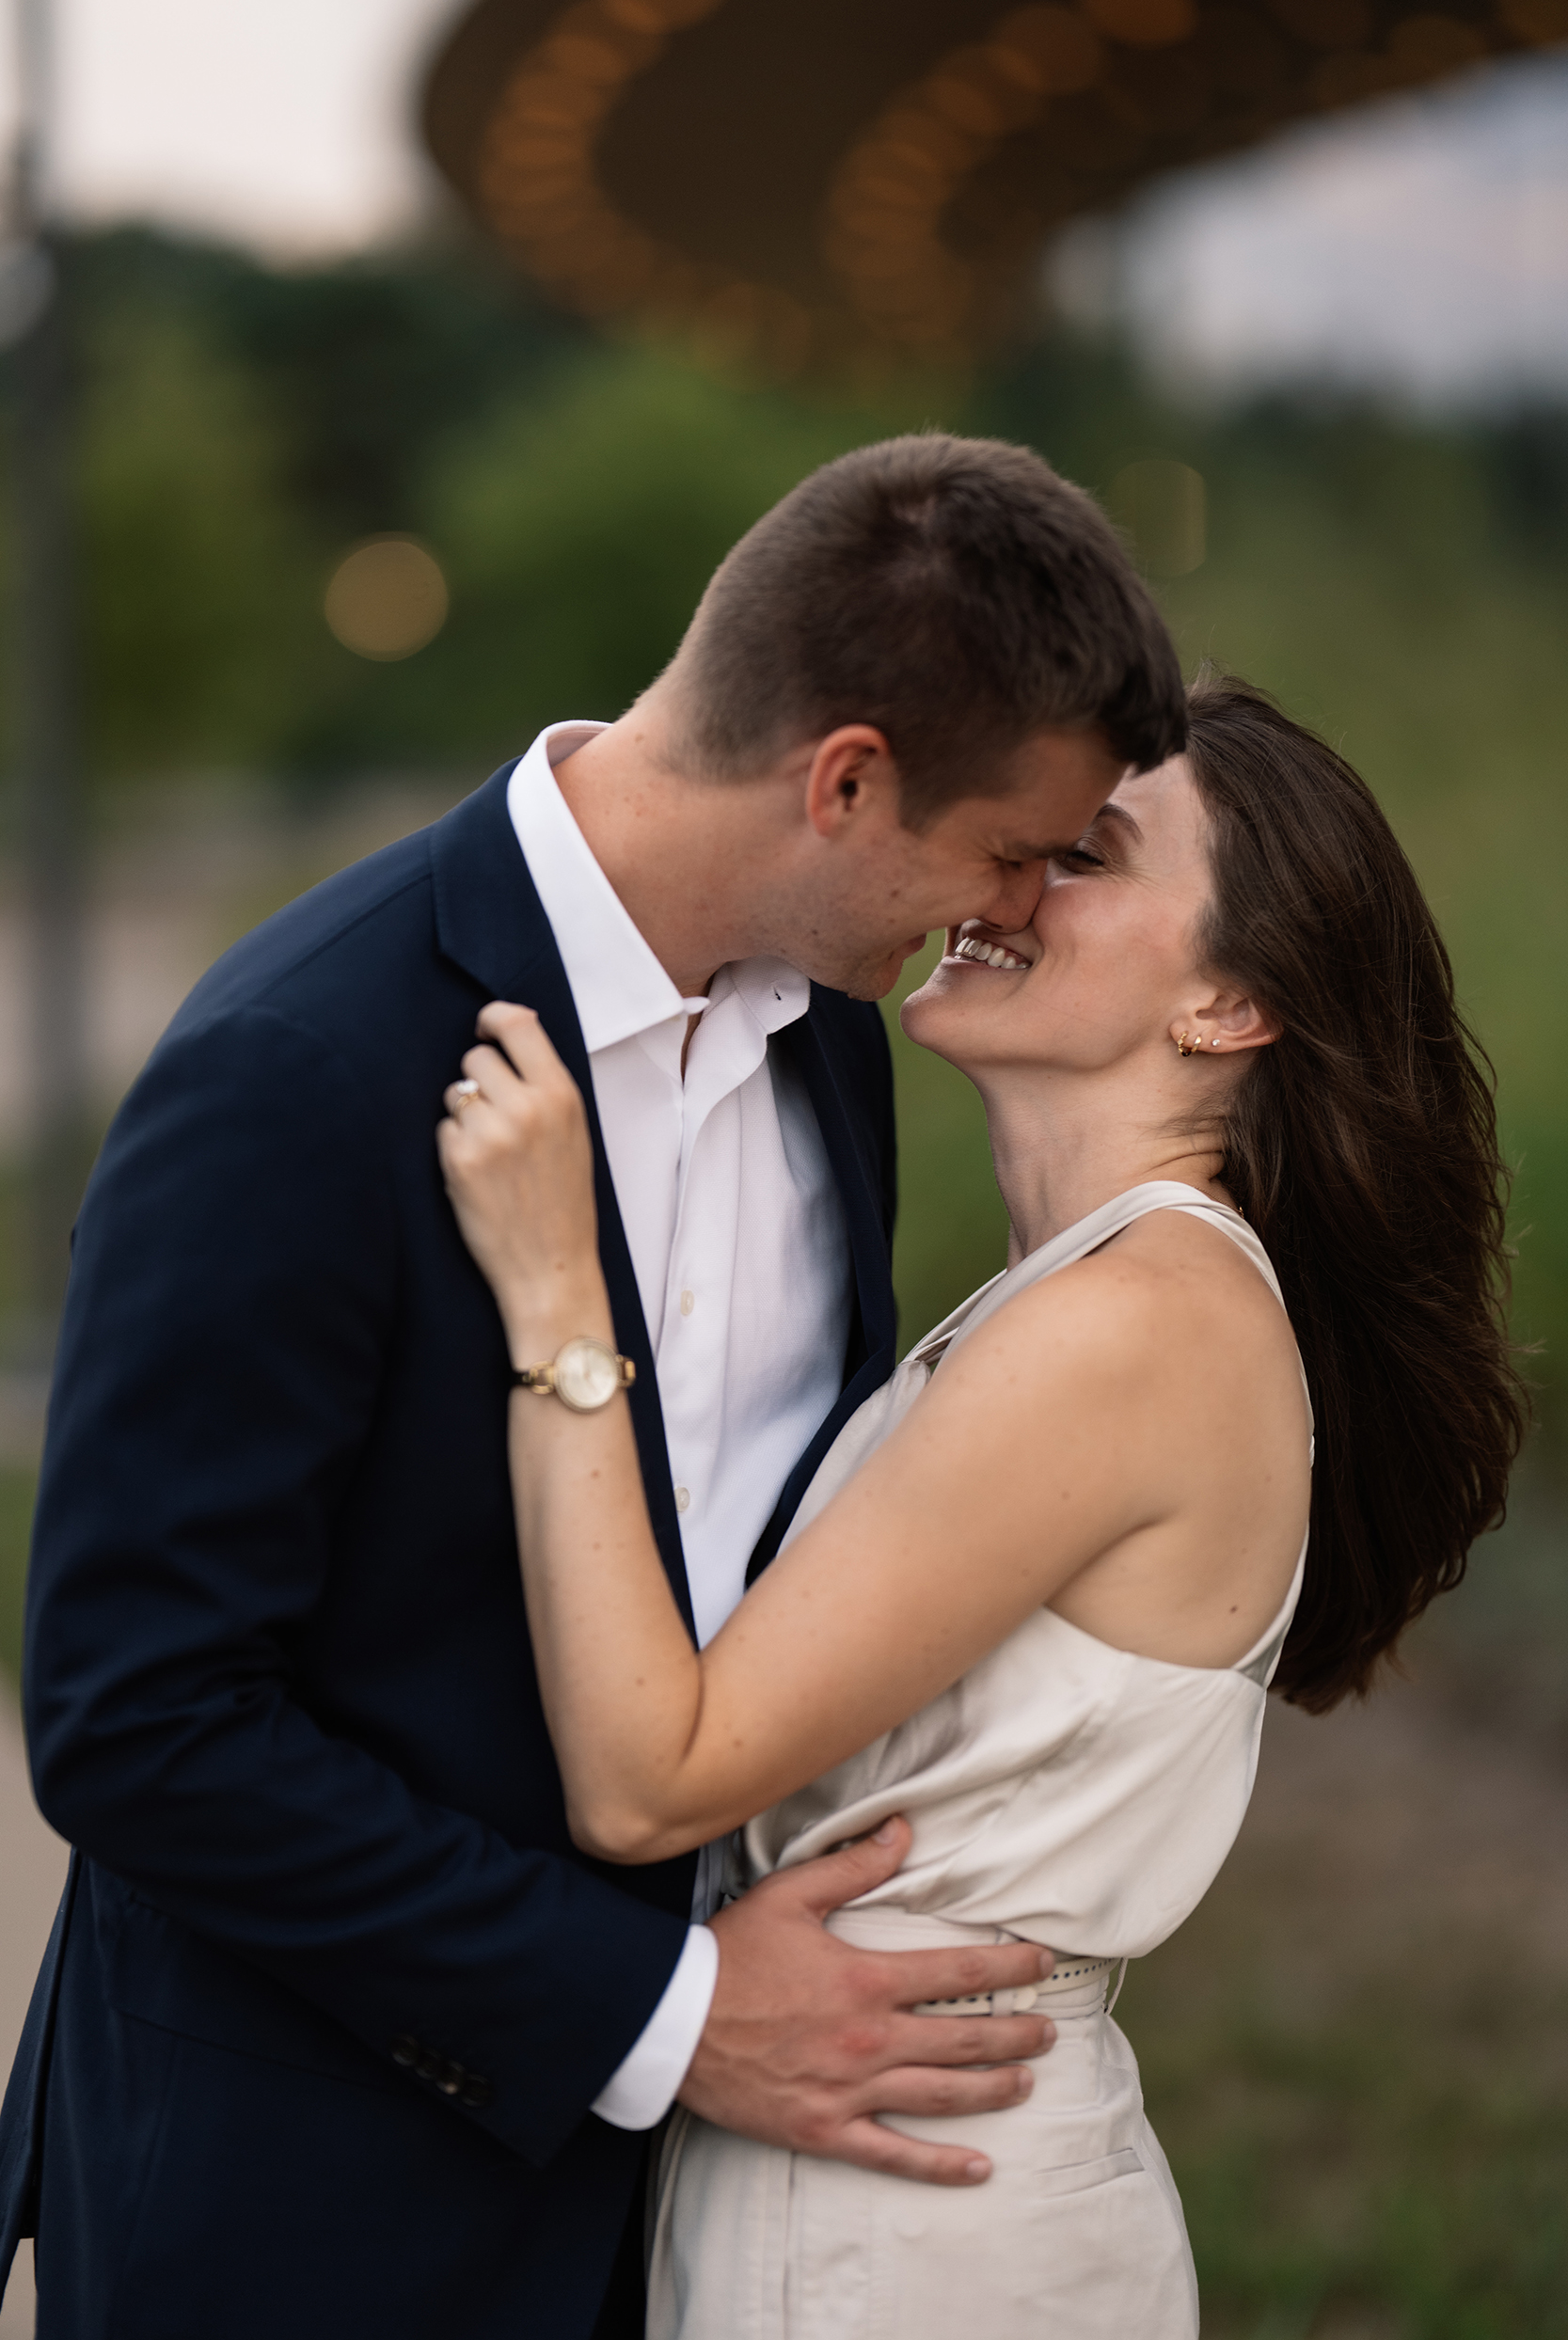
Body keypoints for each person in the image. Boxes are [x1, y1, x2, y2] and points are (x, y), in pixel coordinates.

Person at [0, 434, 1188, 2339]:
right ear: (848, 778)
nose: (1018, 909)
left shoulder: (835, 1051)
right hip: (306, 2215)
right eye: (1013, 850)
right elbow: (139, 1716)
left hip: (681, 2227)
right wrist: (671, 2013)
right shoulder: (299, 1064)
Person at [438, 673, 1528, 2337]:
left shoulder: (1136, 1328)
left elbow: (650, 1774)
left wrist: (558, 1299)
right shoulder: (1089, 1298)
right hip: (878, 2163)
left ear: (1230, 1003)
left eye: (1082, 852)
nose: (1001, 882)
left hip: (914, 2223)